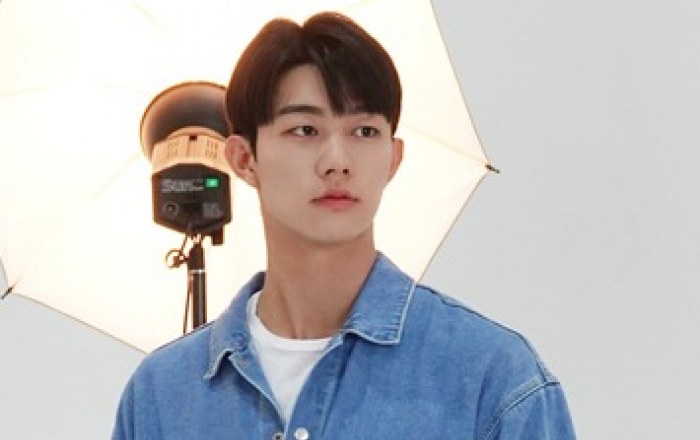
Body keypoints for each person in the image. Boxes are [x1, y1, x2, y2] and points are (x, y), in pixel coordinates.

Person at [112, 11, 577, 440]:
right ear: (243, 158)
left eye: (364, 132)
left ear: (393, 158)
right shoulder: (163, 393)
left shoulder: (491, 378)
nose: (338, 161)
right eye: (304, 130)